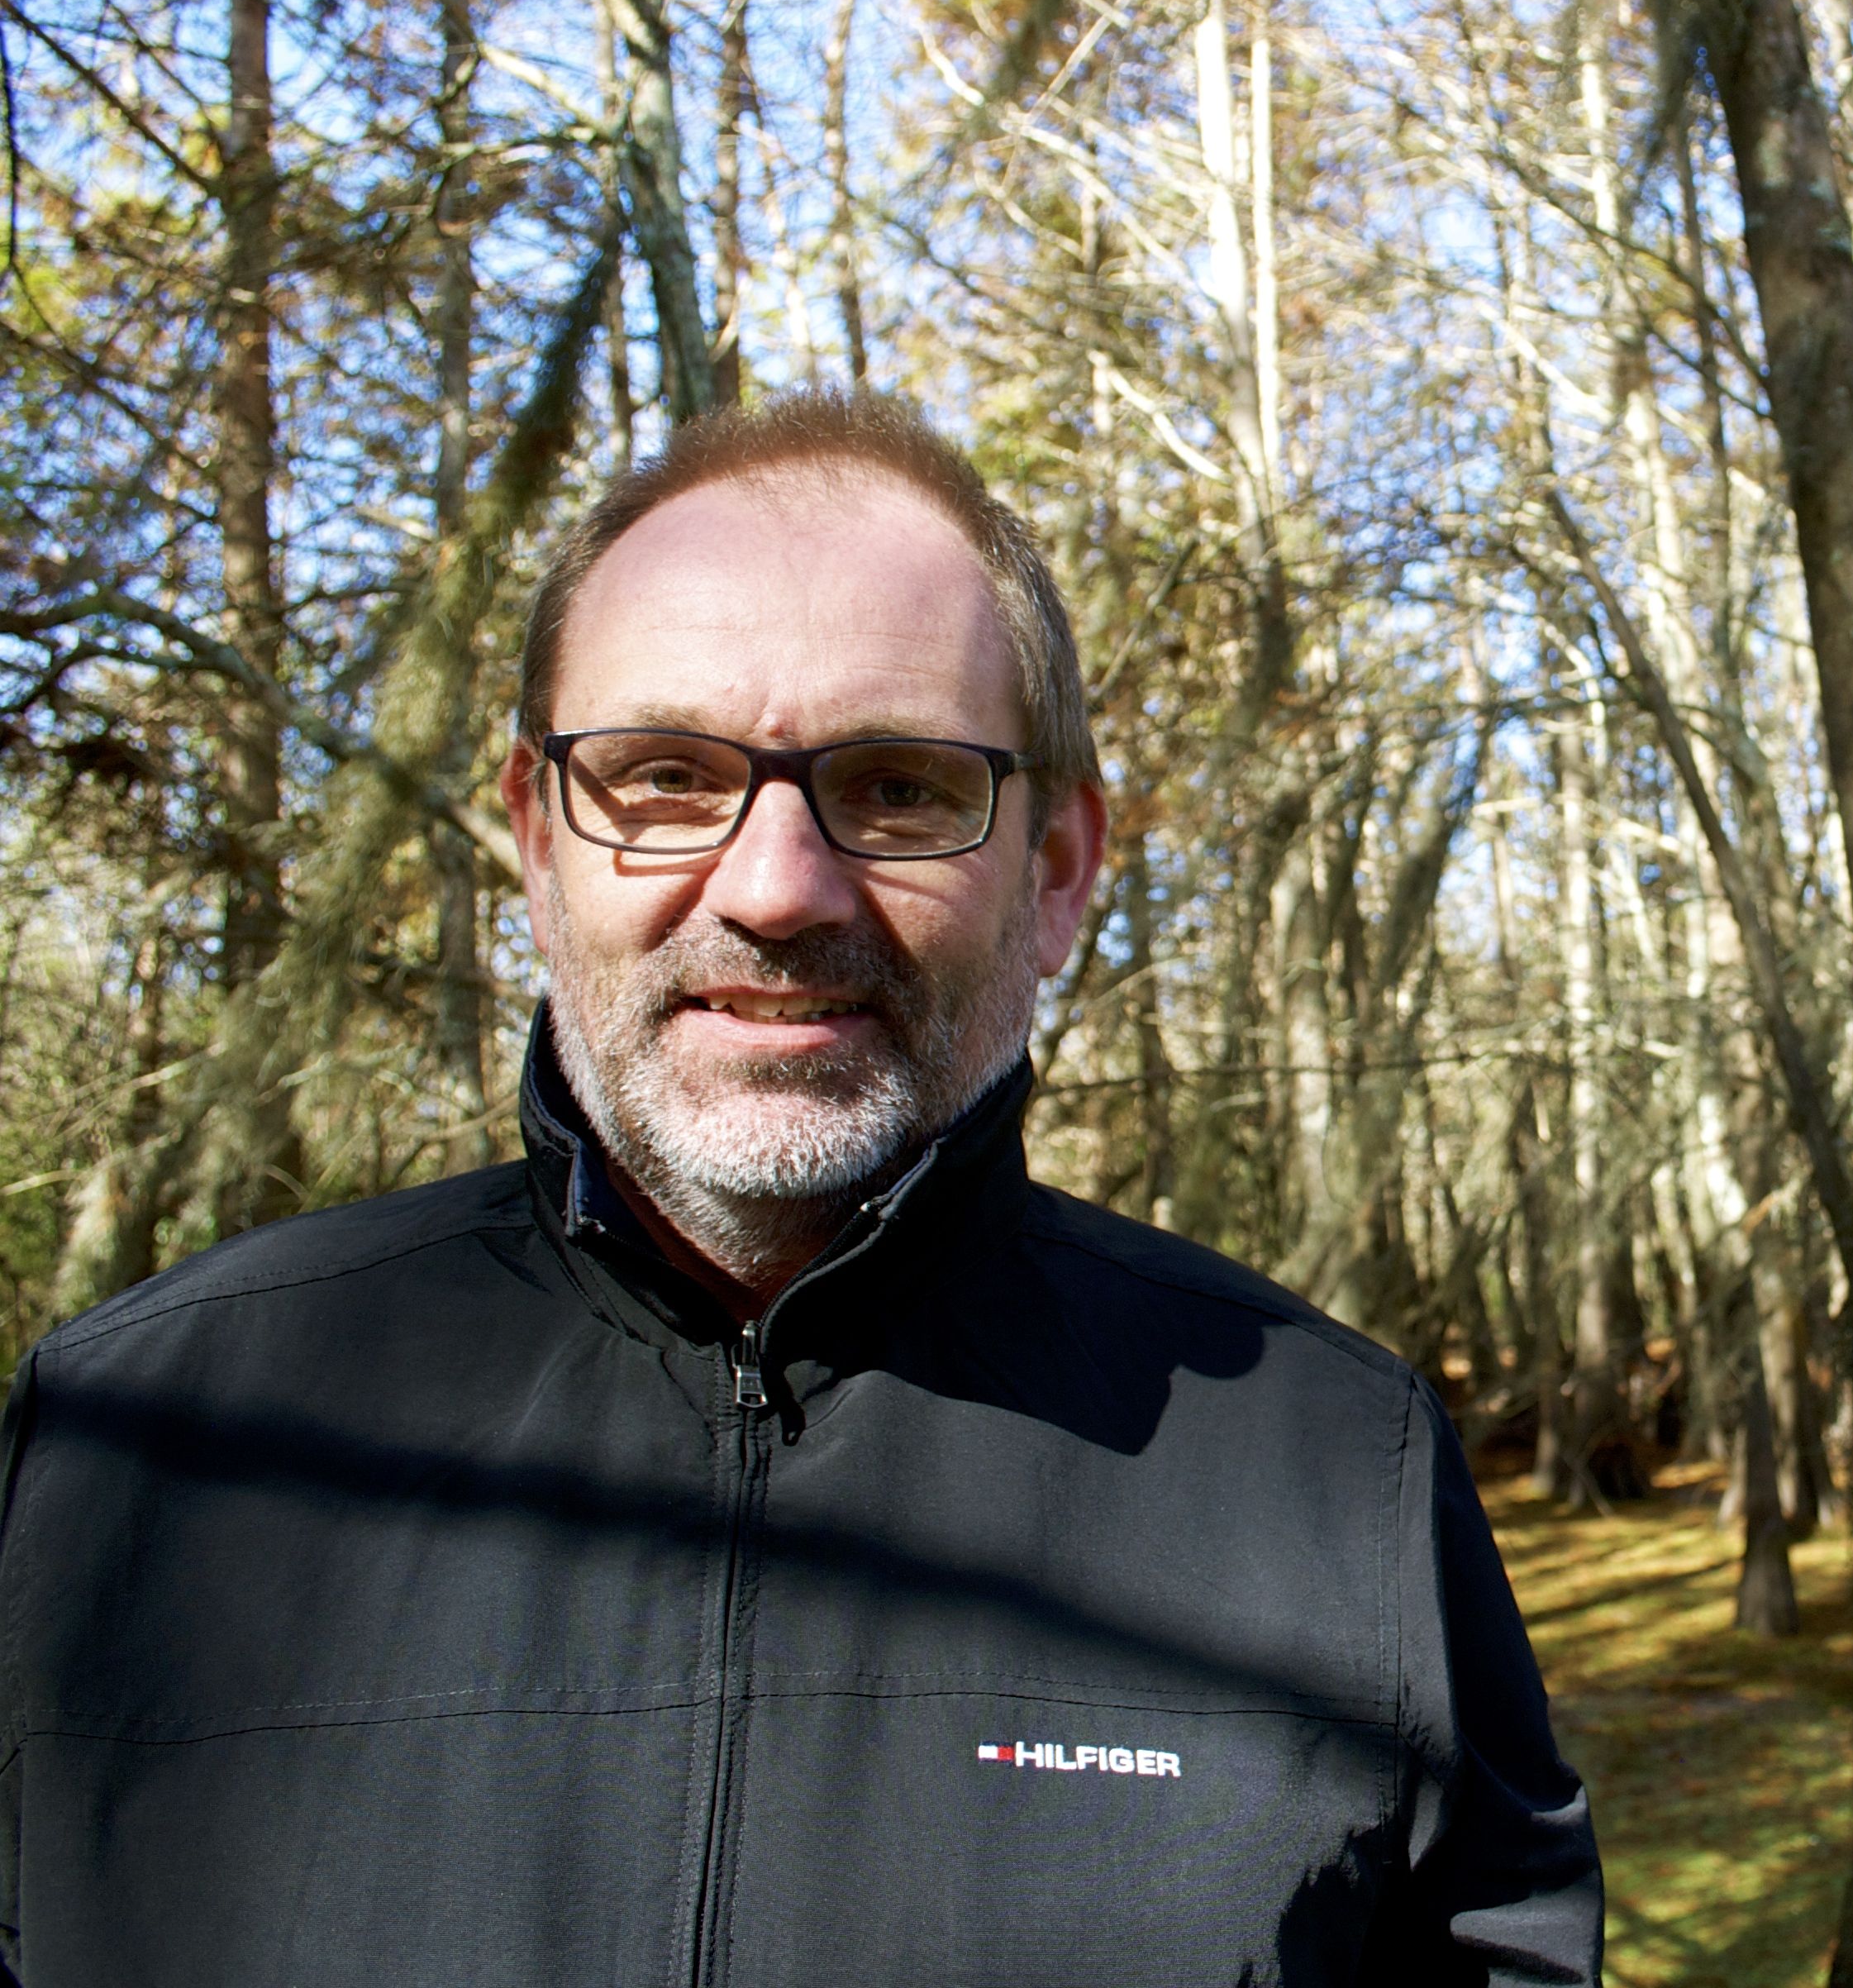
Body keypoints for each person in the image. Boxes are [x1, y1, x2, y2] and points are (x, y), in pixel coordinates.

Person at [0, 391, 1602, 1985]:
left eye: (899, 786)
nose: (774, 889)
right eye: (663, 774)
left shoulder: (1335, 1470)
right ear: (537, 843)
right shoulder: (128, 1445)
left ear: (1055, 875)